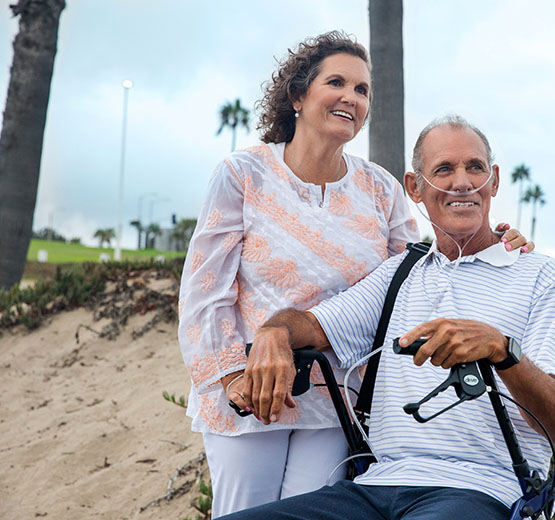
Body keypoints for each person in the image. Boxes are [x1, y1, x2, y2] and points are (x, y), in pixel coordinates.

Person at [177, 33, 534, 517]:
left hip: (336, 398)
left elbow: (423, 272)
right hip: (251, 391)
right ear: (299, 96)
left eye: (362, 90)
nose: (351, 96)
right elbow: (204, 295)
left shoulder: (380, 187)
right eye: (337, 82)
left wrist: (499, 241)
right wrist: (233, 376)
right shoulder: (243, 174)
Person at [223, 115, 555, 520]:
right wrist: (274, 332)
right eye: (444, 169)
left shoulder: (542, 275)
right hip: (373, 487)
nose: (462, 182)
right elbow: (312, 326)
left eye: (475, 167)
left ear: (494, 181)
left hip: (482, 490)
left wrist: (502, 350)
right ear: (415, 187)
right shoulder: (401, 272)